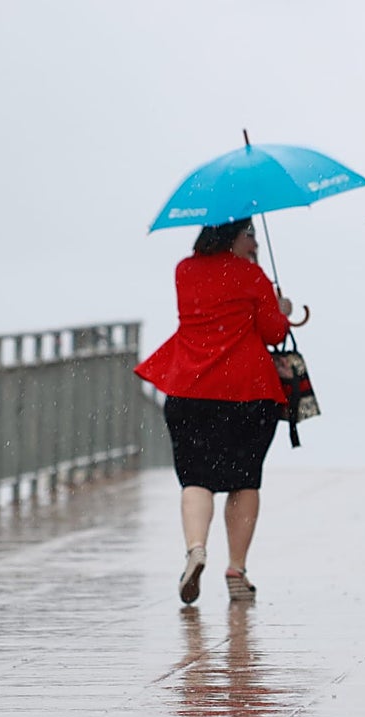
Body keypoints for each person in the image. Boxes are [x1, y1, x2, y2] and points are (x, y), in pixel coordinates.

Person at [135, 217, 292, 605]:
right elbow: (273, 333)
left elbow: (206, 313)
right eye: (249, 235)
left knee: (196, 479)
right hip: (247, 392)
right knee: (244, 481)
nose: (254, 244)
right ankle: (236, 569)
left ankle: (195, 549)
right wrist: (280, 307)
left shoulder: (184, 271)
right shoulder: (251, 276)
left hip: (190, 388)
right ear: (234, 236)